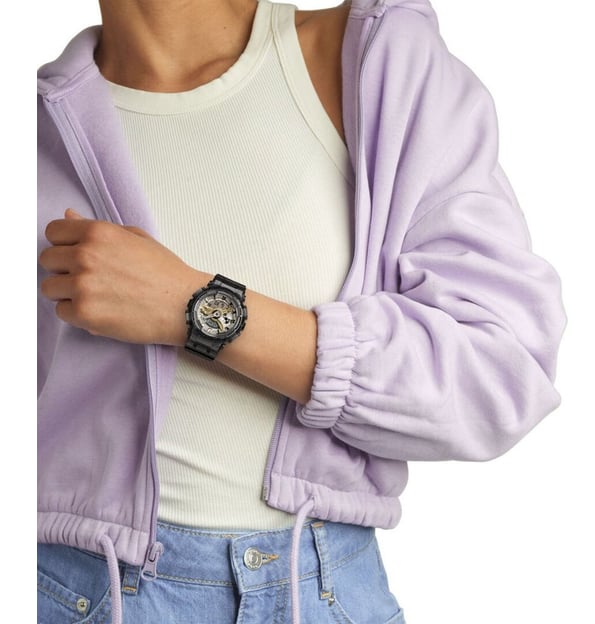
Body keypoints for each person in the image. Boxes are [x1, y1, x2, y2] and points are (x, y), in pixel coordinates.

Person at [36, 0, 567, 622]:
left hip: (317, 590)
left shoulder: (371, 60)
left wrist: (191, 306)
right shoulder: (33, 132)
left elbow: (499, 376)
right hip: (75, 590)